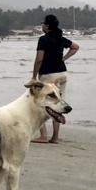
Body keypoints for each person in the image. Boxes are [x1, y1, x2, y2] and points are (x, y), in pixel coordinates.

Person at [31, 14, 79, 144]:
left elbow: (39, 59)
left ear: (47, 25)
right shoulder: (61, 39)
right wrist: (63, 59)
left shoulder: (43, 40)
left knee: (42, 103)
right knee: (58, 103)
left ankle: (43, 136)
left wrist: (34, 76)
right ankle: (55, 137)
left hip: (48, 74)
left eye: (43, 23)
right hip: (62, 73)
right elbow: (75, 47)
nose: (42, 26)